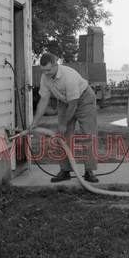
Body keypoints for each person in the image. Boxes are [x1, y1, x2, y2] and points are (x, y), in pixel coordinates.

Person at [29, 53, 99, 183]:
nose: (46, 73)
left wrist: (63, 125)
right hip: (64, 101)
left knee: (88, 135)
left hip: (84, 100)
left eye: (48, 70)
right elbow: (44, 100)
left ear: (56, 65)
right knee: (62, 137)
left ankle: (89, 171)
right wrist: (35, 122)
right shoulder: (45, 77)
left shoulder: (69, 76)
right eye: (43, 70)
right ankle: (65, 171)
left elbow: (73, 106)